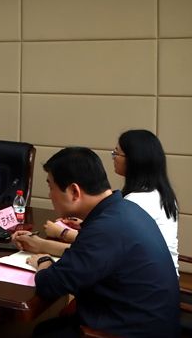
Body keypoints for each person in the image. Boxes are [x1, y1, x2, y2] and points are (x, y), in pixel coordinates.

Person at [18, 147, 178, 338]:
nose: (49, 195)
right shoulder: (124, 209)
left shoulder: (105, 228)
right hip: (149, 319)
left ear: (74, 191)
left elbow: (50, 284)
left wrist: (43, 261)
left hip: (131, 331)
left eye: (51, 187)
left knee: (43, 332)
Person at [37, 129, 180, 275]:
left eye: (116, 153)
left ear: (135, 159)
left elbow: (92, 252)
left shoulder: (134, 203)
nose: (113, 158)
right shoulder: (159, 193)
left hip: (145, 274)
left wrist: (61, 233)